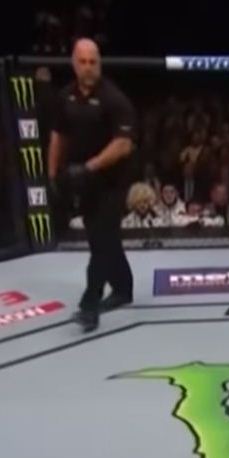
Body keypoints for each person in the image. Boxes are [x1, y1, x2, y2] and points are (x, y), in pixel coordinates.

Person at [48, 38, 136, 332]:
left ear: (100, 63)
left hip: (112, 180)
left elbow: (123, 144)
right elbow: (58, 135)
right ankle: (123, 287)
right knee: (102, 237)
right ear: (74, 64)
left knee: (102, 239)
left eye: (93, 62)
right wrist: (52, 174)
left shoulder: (114, 98)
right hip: (82, 180)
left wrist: (89, 167)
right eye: (83, 62)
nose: (88, 67)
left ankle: (90, 304)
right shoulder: (65, 97)